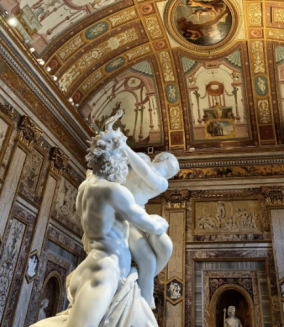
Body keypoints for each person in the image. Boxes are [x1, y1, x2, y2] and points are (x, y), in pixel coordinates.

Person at [31, 111, 168, 327]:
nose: (127, 167)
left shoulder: (85, 187)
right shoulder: (114, 191)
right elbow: (148, 224)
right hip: (106, 270)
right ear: (115, 160)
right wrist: (163, 222)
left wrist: (111, 131)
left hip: (94, 266)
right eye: (124, 161)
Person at [121, 139, 179, 309]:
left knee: (166, 246)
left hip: (140, 214)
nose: (176, 171)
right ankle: (143, 302)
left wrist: (125, 147)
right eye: (175, 166)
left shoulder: (163, 183)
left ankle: (139, 283)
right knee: (148, 260)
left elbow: (145, 172)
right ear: (165, 158)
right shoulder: (142, 158)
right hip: (124, 216)